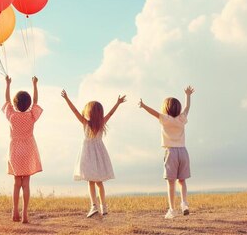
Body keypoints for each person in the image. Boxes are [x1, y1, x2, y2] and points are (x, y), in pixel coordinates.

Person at [61, 89, 126, 217]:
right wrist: (118, 103)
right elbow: (111, 113)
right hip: (99, 154)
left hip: (87, 155)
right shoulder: (102, 122)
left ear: (88, 112)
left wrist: (67, 98)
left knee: (91, 181)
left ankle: (94, 206)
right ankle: (104, 207)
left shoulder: (85, 123)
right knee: (99, 182)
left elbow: (74, 111)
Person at [139, 86, 195, 219]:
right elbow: (187, 108)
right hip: (183, 151)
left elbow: (153, 112)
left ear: (166, 108)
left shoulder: (165, 119)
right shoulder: (181, 119)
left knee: (171, 182)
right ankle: (184, 203)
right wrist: (188, 95)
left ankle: (172, 209)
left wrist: (143, 105)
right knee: (182, 180)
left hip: (170, 152)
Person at [2, 75, 42, 223]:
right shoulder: (31, 116)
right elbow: (36, 102)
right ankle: (25, 214)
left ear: (15, 104)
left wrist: (7, 84)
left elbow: (6, 101)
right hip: (28, 150)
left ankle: (15, 212)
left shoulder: (12, 115)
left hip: (15, 151)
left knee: (16, 183)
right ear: (29, 104)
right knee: (26, 184)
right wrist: (35, 85)